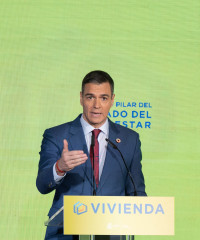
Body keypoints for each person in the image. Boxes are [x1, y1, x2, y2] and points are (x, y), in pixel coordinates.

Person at [36, 70, 146, 240]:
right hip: (65, 234)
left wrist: (145, 212)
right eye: (90, 97)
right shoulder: (56, 135)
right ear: (81, 98)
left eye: (103, 98)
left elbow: (137, 192)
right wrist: (59, 167)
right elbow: (42, 185)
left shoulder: (129, 139)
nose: (96, 105)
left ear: (112, 100)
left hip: (112, 234)